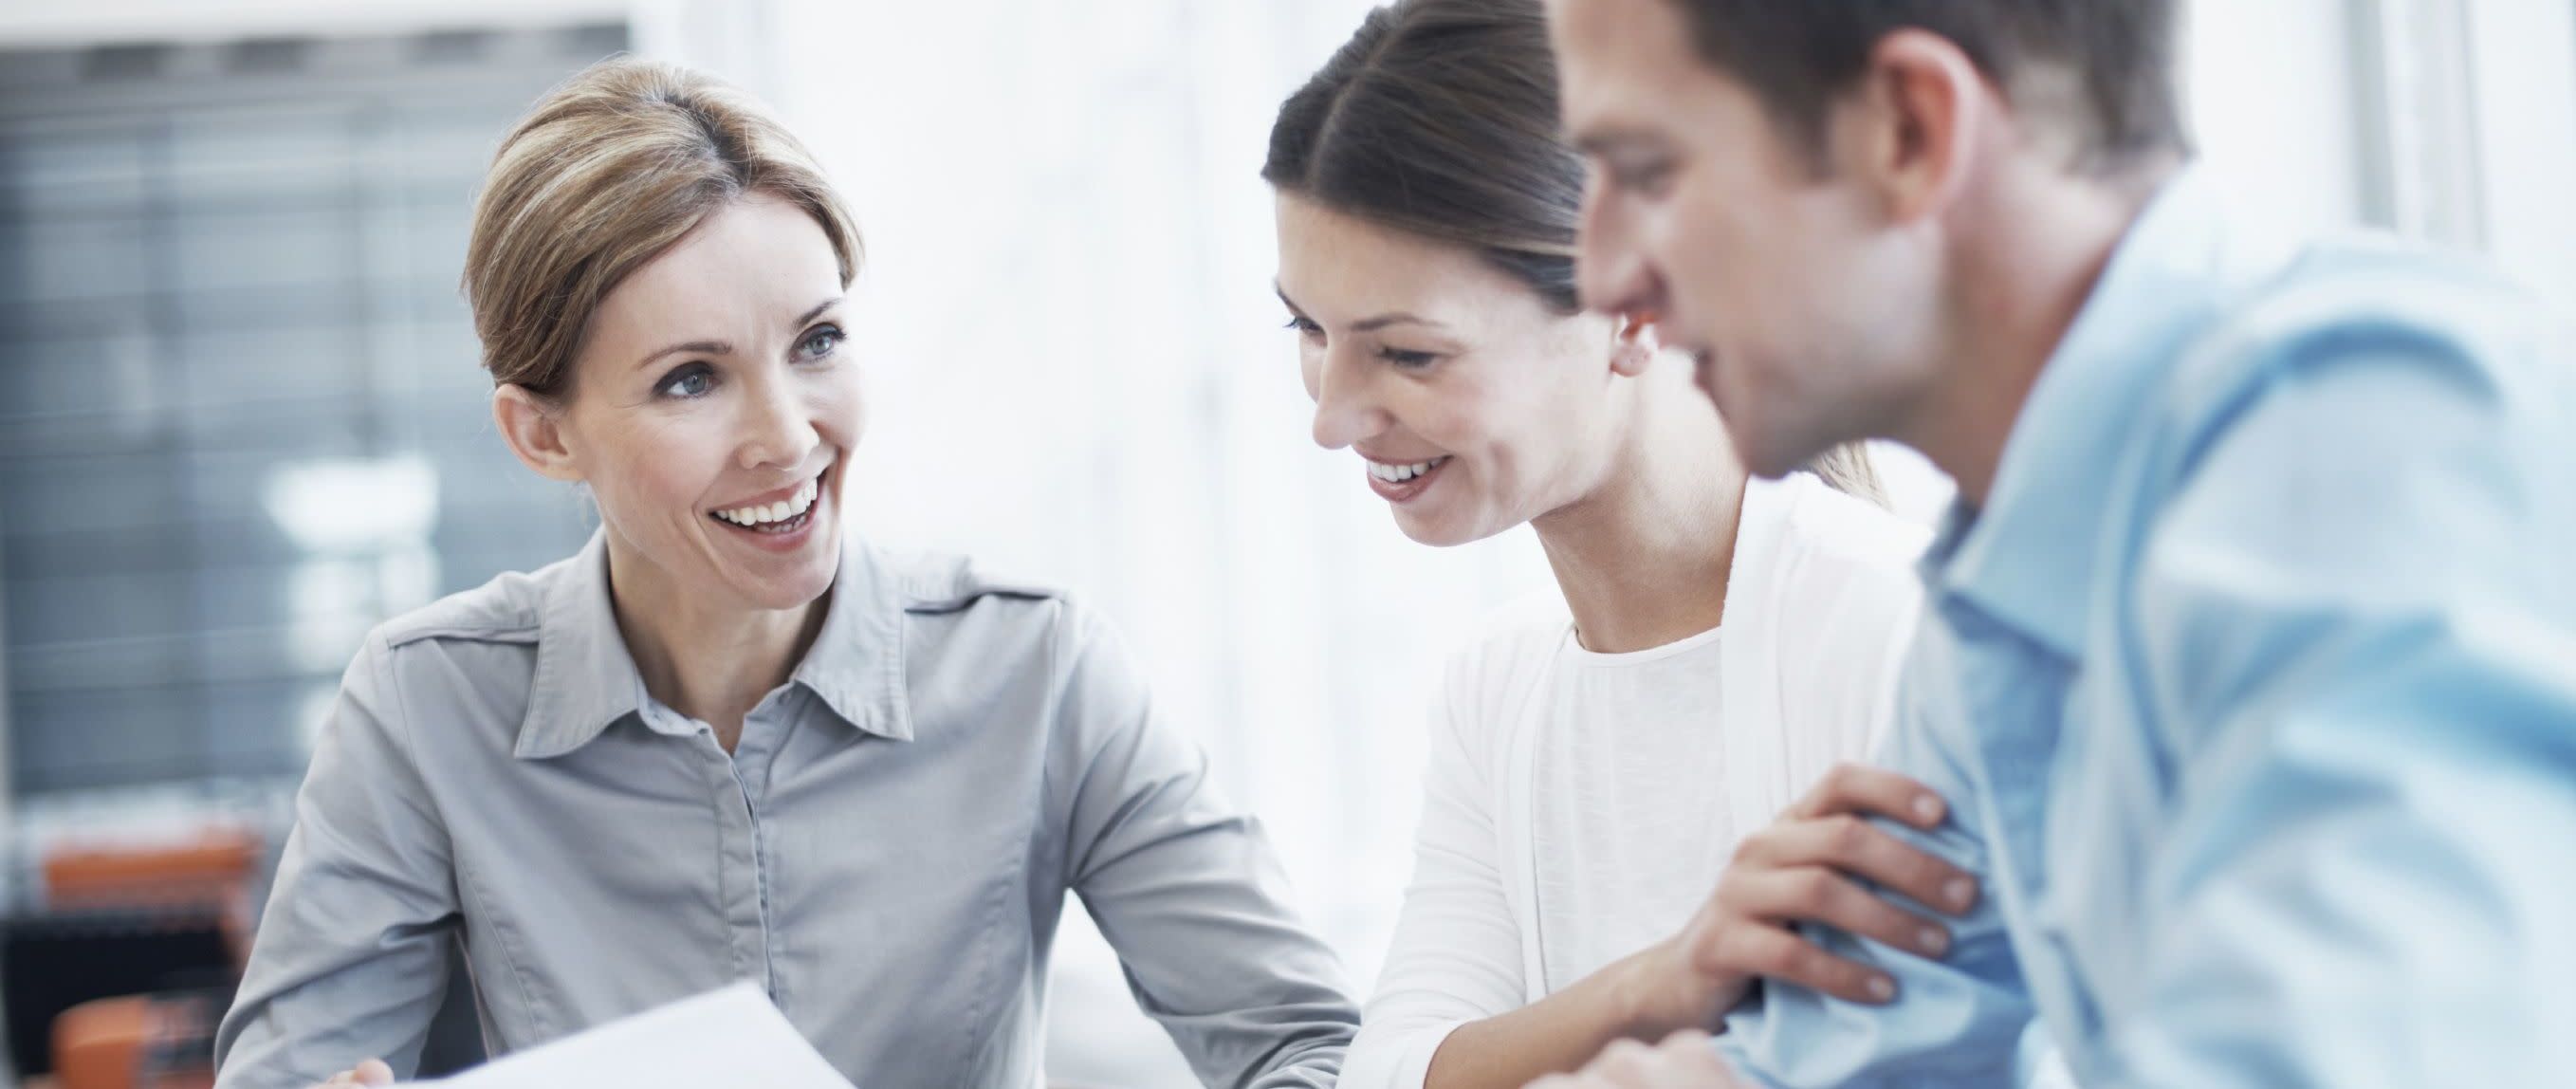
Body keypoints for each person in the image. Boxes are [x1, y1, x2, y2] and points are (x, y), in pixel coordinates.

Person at [212, 58, 1358, 1089]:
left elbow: (1307, 1045)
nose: (786, 436)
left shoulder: (1036, 666)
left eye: (816, 342)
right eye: (688, 380)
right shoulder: (427, 702)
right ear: (542, 435)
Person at [1533, 0, 2576, 1085]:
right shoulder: (2009, 580)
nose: (1605, 277)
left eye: (1648, 172)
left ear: (1907, 132)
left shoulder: (2362, 439)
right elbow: (1834, 1059)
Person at [1265, 5, 1982, 1087]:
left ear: (1637, 308)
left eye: (1406, 353)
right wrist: (1661, 979)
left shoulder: (1888, 636)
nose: (1332, 413)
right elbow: (1391, 1071)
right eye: (1308, 332)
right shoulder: (1495, 690)